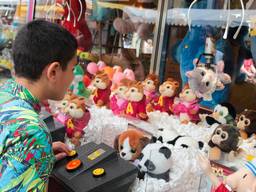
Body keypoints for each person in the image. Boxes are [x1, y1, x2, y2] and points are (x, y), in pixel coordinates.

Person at [0, 20, 78, 191]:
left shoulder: (4, 94)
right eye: (72, 69)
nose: (73, 79)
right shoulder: (33, 133)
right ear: (54, 71)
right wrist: (36, 147)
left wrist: (38, 156)